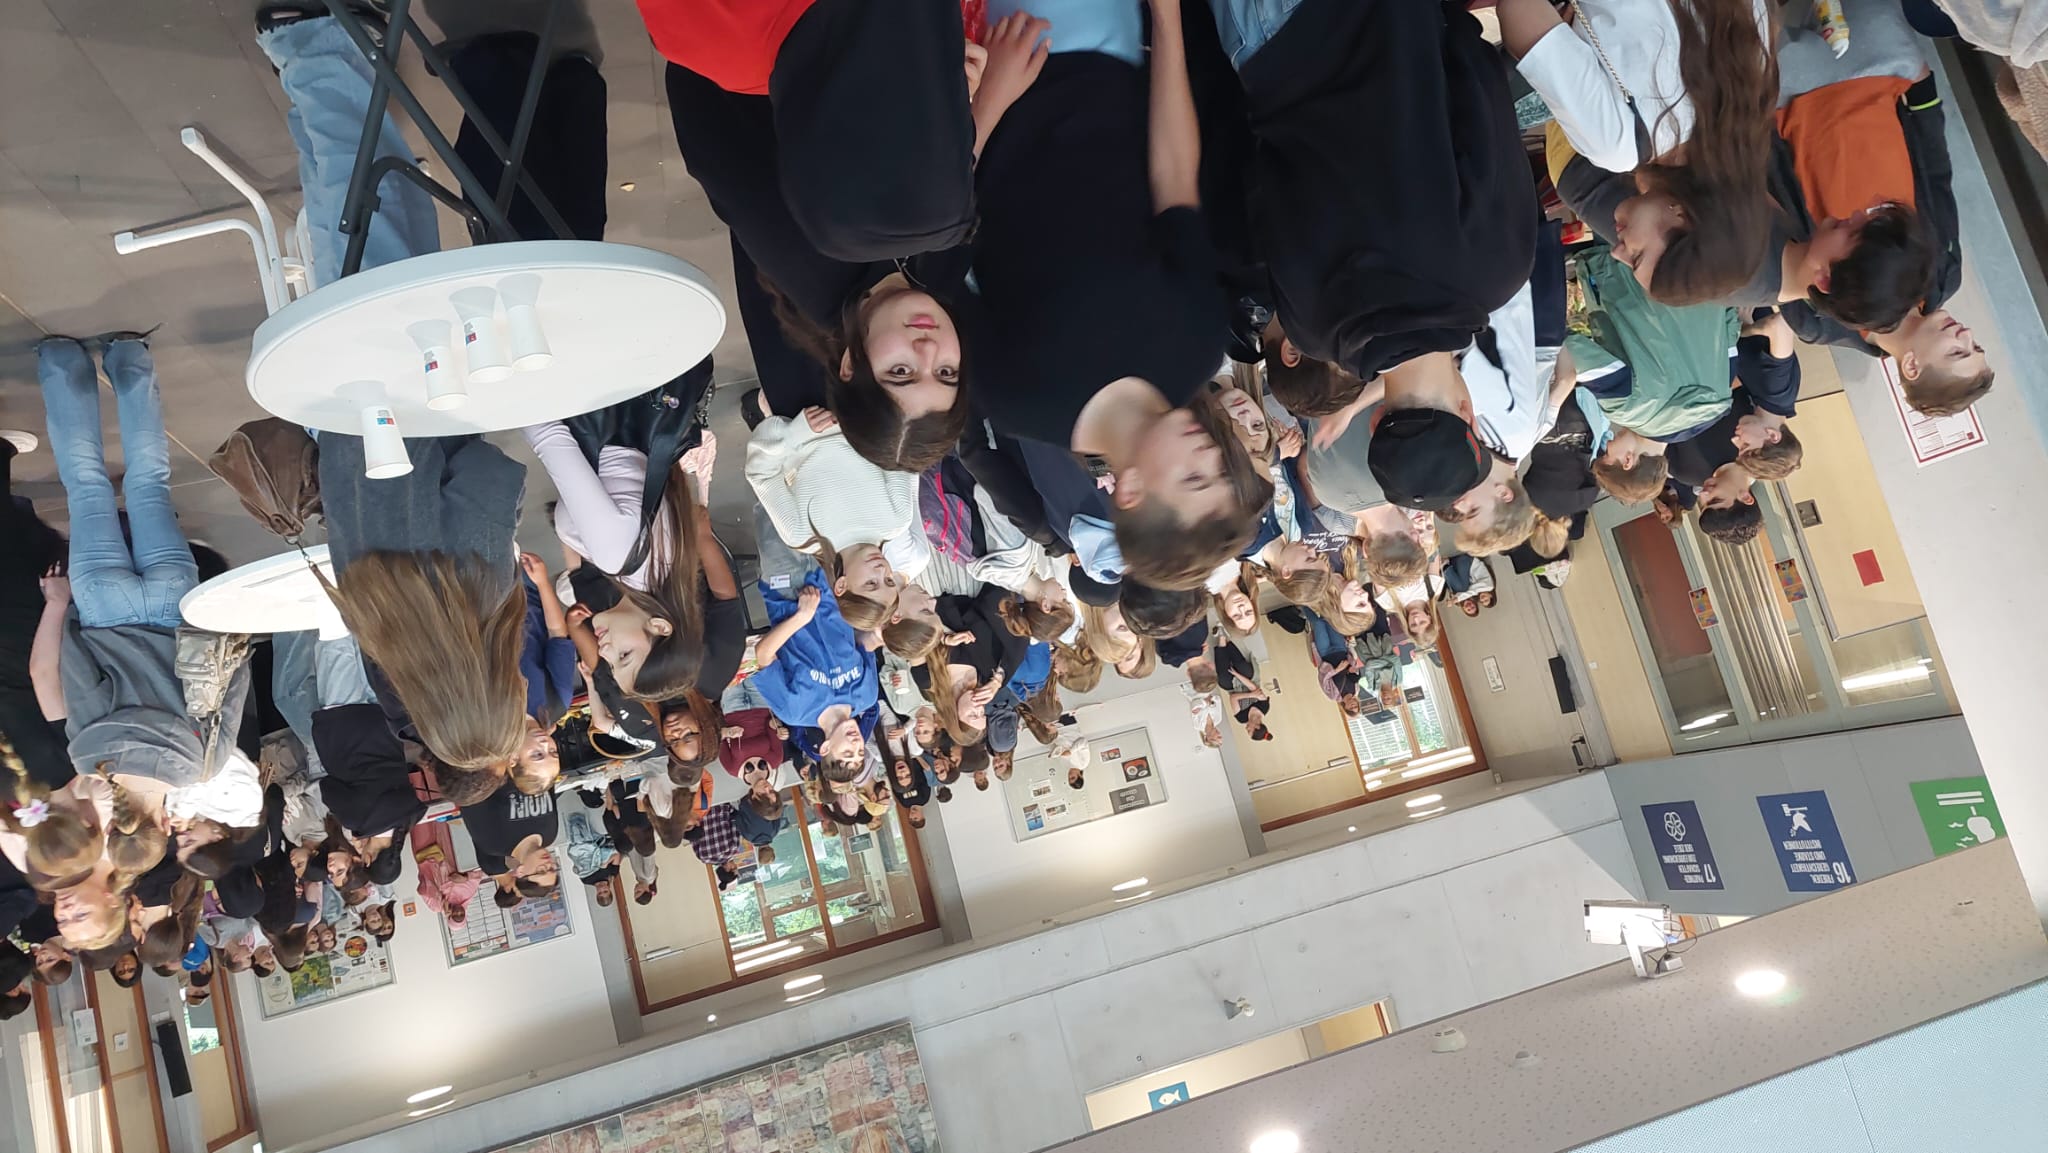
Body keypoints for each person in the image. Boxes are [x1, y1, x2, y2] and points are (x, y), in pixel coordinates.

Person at [969, 0, 1271, 592]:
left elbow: (941, 255)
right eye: (1219, 470)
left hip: (982, 77)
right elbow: (1175, 181)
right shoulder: (1196, 349)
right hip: (1097, 46)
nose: (1210, 454)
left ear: (1129, 491)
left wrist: (983, 106)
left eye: (1193, 478)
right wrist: (1166, 22)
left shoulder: (1018, 399)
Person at [1230, 0, 1535, 454]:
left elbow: (1483, 89)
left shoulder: (1500, 270)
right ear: (1376, 421)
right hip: (1265, 52)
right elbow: (1264, 188)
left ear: (1467, 412)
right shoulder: (1312, 329)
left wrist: (1445, 22)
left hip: (1382, 22)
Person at [1498, 0, 1778, 303]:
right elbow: (1519, 10)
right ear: (1682, 215)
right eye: (1638, 256)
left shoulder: (1754, 77)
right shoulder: (1619, 144)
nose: (1617, 252)